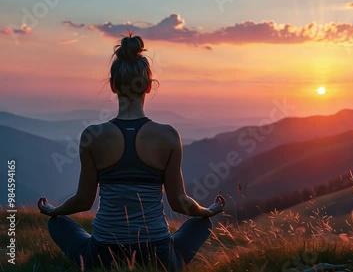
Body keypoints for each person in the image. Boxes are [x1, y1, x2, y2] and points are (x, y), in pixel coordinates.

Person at [37, 33, 226, 272]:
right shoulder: (168, 136)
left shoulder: (92, 136)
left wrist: (55, 210)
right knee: (203, 224)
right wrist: (206, 211)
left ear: (113, 85)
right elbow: (179, 202)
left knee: (57, 224)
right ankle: (173, 264)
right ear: (148, 85)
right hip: (157, 254)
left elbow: (83, 200)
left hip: (103, 254)